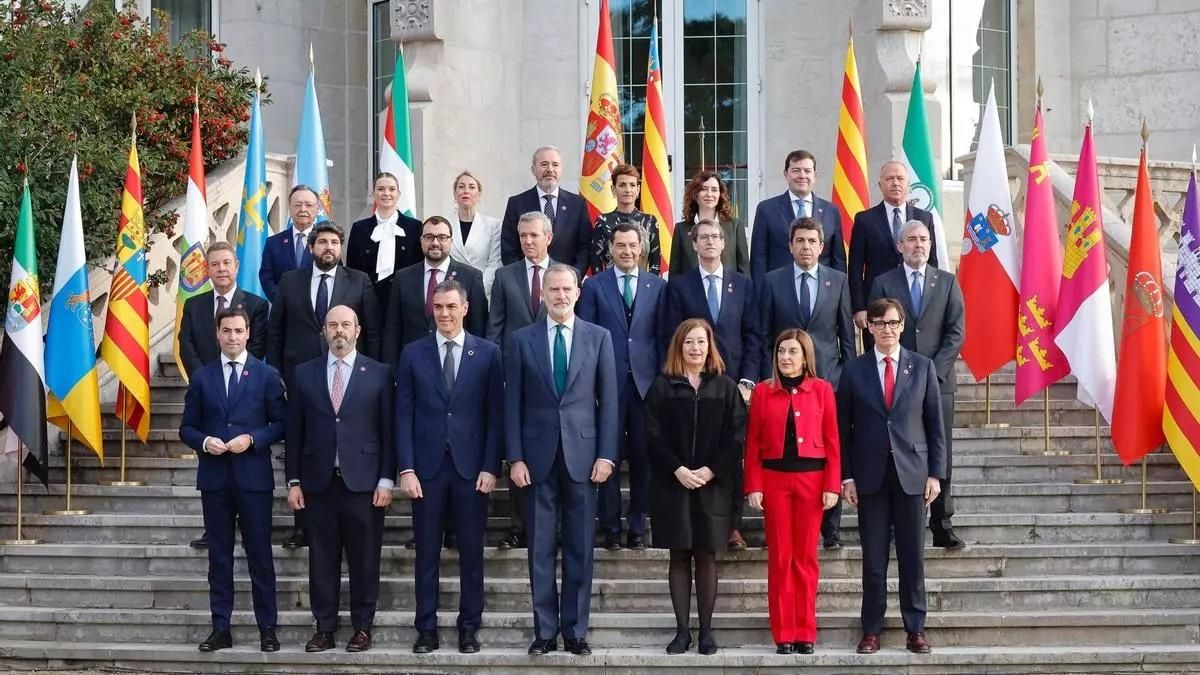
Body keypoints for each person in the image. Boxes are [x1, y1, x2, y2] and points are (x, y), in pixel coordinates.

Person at [505, 264, 618, 656]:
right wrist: (515, 457)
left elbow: (609, 402)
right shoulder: (522, 340)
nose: (560, 295)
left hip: (584, 459)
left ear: (577, 292)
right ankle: (545, 631)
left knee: (580, 547)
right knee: (539, 548)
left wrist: (606, 454)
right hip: (536, 460)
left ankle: (574, 631)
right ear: (545, 294)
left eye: (566, 288)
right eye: (553, 289)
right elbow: (512, 404)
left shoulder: (599, 338)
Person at [396, 279, 504, 655]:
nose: (444, 313)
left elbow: (495, 415)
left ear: (465, 308)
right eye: (438, 307)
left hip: (472, 470)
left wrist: (492, 466)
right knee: (426, 553)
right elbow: (403, 413)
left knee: (471, 553)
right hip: (425, 470)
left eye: (450, 307)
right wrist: (405, 468)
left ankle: (468, 627)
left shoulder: (488, 353)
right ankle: (426, 628)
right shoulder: (412, 354)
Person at [285, 305, 396, 653]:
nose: (339, 331)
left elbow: (388, 432)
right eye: (333, 325)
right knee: (322, 559)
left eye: (346, 325)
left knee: (364, 559)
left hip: (363, 484)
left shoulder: (378, 373)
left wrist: (386, 479)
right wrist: (293, 481)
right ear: (324, 330)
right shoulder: (304, 374)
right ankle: (325, 627)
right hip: (318, 483)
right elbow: (294, 433)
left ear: (357, 331)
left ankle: (362, 626)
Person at [839, 298, 946, 656]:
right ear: (868, 327)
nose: (887, 329)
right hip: (870, 477)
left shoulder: (923, 366)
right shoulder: (854, 371)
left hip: (912, 475)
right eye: (880, 323)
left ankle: (915, 628)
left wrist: (936, 473)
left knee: (913, 557)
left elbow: (935, 425)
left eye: (893, 323)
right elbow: (843, 430)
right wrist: (847, 476)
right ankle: (871, 629)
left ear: (902, 326)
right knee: (873, 558)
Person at [266, 221, 380, 549]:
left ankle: (346, 524)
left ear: (341, 247)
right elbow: (276, 333)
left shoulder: (358, 281)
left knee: (341, 446)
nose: (328, 247)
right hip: (300, 380)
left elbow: (370, 331)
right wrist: (277, 378)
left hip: (348, 380)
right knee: (303, 449)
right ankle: (302, 527)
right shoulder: (290, 281)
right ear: (312, 248)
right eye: (322, 242)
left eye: (333, 242)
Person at [178, 307, 284, 653]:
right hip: (215, 479)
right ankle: (220, 627)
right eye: (227, 331)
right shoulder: (202, 377)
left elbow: (280, 424)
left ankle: (267, 628)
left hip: (254, 478)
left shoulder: (267, 375)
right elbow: (186, 428)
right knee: (219, 557)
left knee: (259, 556)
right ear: (218, 334)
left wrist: (253, 439)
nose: (233, 337)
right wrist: (205, 442)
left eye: (239, 331)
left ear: (248, 333)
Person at [645, 318, 746, 656]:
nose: (695, 348)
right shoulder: (662, 386)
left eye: (701, 342)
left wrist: (709, 470)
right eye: (689, 342)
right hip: (672, 485)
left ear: (710, 346)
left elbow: (736, 436)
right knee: (679, 555)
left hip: (712, 485)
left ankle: (705, 632)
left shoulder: (725, 387)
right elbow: (652, 435)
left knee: (705, 555)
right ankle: (681, 632)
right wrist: (677, 469)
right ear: (679, 346)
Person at [868, 220, 966, 549]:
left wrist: (933, 374)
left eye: (924, 239)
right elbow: (878, 330)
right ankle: (899, 525)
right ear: (900, 246)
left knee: (941, 452)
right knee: (898, 449)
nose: (918, 245)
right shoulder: (884, 282)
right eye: (911, 239)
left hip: (939, 382)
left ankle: (942, 523)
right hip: (896, 383)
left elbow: (956, 332)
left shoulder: (948, 283)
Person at [757, 217, 854, 549]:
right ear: (790, 246)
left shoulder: (838, 281)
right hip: (784, 382)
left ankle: (833, 528)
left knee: (830, 446)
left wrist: (850, 379)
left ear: (822, 247)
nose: (806, 247)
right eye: (800, 241)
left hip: (829, 380)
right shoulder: (772, 281)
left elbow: (846, 336)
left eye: (812, 241)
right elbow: (766, 336)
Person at [663, 217, 759, 550]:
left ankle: (732, 526)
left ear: (724, 242)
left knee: (731, 454)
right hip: (694, 384)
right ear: (693, 243)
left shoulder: (743, 284)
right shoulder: (679, 285)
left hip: (734, 384)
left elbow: (753, 336)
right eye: (702, 237)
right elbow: (673, 336)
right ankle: (700, 523)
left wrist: (747, 380)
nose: (710, 242)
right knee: (700, 452)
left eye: (716, 236)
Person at [744, 329, 841, 654]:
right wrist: (753, 485)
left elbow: (832, 442)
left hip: (812, 482)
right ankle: (783, 633)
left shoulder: (823, 390)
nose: (785, 357)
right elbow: (754, 441)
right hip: (774, 481)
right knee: (781, 558)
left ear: (805, 356)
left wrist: (832, 484)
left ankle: (805, 632)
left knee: (806, 558)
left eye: (793, 352)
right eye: (781, 351)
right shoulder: (762, 392)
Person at [578, 221, 666, 551]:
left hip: (646, 386)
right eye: (621, 246)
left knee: (644, 460)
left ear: (641, 249)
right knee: (608, 457)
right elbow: (586, 339)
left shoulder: (657, 286)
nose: (627, 251)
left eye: (632, 246)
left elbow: (662, 338)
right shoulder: (594, 286)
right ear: (611, 249)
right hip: (607, 385)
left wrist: (660, 383)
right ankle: (611, 526)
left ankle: (637, 524)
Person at [176, 242, 269, 551]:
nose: (221, 269)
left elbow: (256, 347)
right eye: (214, 264)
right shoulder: (194, 305)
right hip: (207, 394)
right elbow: (186, 343)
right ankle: (215, 528)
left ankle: (246, 524)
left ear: (237, 266)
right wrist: (207, 378)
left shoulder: (255, 305)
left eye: (226, 263)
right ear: (208, 269)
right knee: (212, 467)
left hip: (246, 394)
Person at [486, 211, 555, 550]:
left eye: (534, 236)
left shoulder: (564, 275)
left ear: (548, 238)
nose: (528, 241)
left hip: (552, 385)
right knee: (518, 452)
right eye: (523, 236)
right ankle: (518, 527)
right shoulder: (504, 276)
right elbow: (494, 330)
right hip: (514, 380)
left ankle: (550, 528)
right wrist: (498, 376)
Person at [848, 161, 937, 349]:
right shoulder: (865, 220)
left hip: (916, 304)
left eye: (900, 179)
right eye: (889, 179)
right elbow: (855, 267)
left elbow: (932, 261)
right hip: (877, 306)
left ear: (908, 185)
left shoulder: (924, 218)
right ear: (880, 185)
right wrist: (859, 307)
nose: (895, 183)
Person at [381, 216, 488, 369]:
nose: (435, 243)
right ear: (421, 240)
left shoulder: (471, 277)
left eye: (442, 237)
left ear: (451, 241)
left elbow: (479, 327)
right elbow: (393, 328)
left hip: (457, 366)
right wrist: (392, 372)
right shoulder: (403, 277)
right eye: (429, 237)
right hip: (414, 367)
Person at [750, 149, 845, 280]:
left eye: (807, 171)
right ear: (786, 174)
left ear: (815, 175)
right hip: (779, 290)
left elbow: (838, 259)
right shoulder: (766, 209)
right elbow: (758, 258)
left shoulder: (831, 211)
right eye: (796, 170)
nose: (802, 175)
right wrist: (761, 294)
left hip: (822, 292)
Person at [346, 173, 424, 322]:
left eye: (392, 189)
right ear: (373, 193)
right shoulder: (359, 228)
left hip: (405, 302)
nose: (386, 193)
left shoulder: (415, 227)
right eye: (381, 189)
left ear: (399, 194)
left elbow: (419, 266)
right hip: (368, 303)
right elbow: (353, 269)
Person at [500, 146, 591, 273]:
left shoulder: (577, 204)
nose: (550, 170)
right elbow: (508, 248)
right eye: (544, 164)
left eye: (555, 165)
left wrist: (574, 276)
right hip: (528, 282)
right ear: (533, 170)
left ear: (561, 169)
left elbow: (585, 247)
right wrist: (521, 278)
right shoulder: (516, 203)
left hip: (565, 283)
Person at [668, 171, 749, 278]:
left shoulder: (735, 226)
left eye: (714, 190)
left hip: (729, 292)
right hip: (690, 292)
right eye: (704, 189)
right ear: (695, 194)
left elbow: (744, 268)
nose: (709, 194)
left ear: (720, 194)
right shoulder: (681, 229)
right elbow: (675, 273)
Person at [588, 163, 662, 275]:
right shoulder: (602, 221)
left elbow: (655, 262)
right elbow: (596, 264)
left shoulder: (650, 221)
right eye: (622, 185)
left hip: (643, 286)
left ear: (638, 190)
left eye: (632, 185)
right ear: (613, 189)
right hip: (610, 286)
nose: (628, 190)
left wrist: (650, 288)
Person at [259, 185, 319, 303]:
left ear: (317, 209)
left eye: (308, 205)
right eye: (297, 204)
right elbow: (267, 278)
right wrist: (285, 301)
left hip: (317, 311)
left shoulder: (326, 241)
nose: (303, 209)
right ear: (290, 208)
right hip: (284, 311)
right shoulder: (273, 243)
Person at [448, 170, 503, 301]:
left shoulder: (494, 225)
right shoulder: (444, 225)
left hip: (482, 295)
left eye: (472, 187)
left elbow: (495, 264)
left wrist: (475, 290)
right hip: (449, 295)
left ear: (479, 195)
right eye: (461, 187)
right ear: (455, 194)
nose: (466, 191)